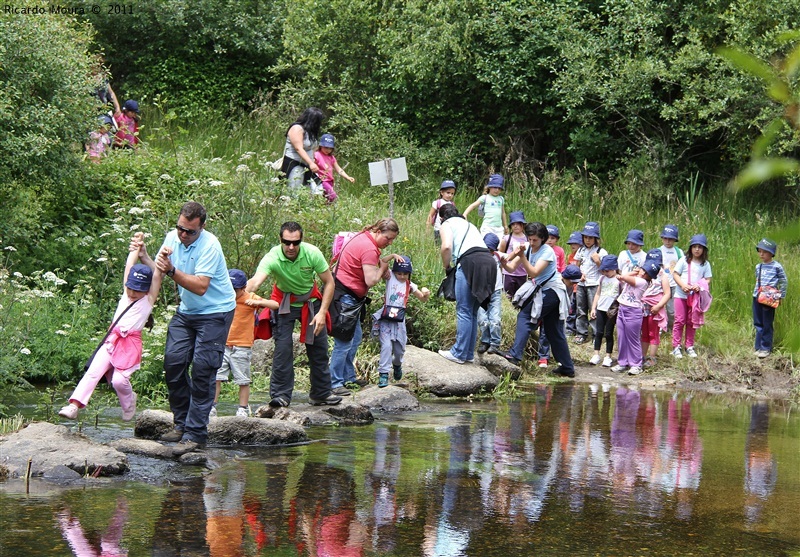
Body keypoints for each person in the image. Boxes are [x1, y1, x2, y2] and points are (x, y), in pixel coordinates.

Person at [137, 201, 236, 452]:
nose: (183, 234)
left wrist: (171, 271)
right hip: (187, 312)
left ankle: (195, 434)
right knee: (173, 363)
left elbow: (201, 286)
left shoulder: (210, 246)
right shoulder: (172, 237)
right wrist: (145, 257)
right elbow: (160, 271)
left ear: (201, 227)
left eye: (189, 231)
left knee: (203, 369)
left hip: (216, 312)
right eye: (180, 228)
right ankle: (181, 424)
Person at [58, 232, 162, 421]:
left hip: (130, 343)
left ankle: (129, 400)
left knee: (119, 381)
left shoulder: (148, 300)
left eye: (136, 290)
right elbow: (129, 266)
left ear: (145, 290)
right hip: (112, 339)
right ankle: (74, 406)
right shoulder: (126, 293)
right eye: (129, 287)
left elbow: (157, 275)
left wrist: (150, 256)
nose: (131, 292)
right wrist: (137, 246)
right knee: (93, 373)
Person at [247, 221, 343, 407]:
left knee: (319, 348)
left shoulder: (312, 253)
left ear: (301, 240)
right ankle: (281, 395)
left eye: (296, 242)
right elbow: (255, 282)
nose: (291, 247)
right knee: (283, 349)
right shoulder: (273, 257)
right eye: (287, 242)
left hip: (311, 302)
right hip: (284, 304)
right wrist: (238, 297)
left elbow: (329, 283)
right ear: (280, 239)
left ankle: (321, 393)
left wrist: (322, 313)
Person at [329, 218, 400, 394]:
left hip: (348, 297)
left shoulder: (363, 238)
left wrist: (381, 267)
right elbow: (371, 279)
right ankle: (334, 383)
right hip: (346, 298)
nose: (389, 243)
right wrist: (383, 268)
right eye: (388, 238)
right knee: (344, 342)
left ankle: (348, 377)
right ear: (378, 232)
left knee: (355, 338)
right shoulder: (369, 248)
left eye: (392, 240)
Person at [499, 222, 575, 377]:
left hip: (553, 292)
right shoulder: (527, 247)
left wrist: (521, 256)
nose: (532, 243)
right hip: (545, 291)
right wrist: (503, 263)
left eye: (535, 240)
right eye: (530, 239)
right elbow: (511, 268)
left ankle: (515, 355)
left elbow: (533, 273)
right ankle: (567, 367)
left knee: (525, 317)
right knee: (554, 330)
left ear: (543, 239)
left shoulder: (547, 252)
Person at [210, 269, 278, 418]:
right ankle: (212, 406)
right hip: (222, 345)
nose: (231, 292)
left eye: (235, 289)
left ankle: (242, 408)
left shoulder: (250, 298)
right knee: (216, 377)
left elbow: (275, 305)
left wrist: (258, 302)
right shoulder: (222, 297)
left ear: (243, 288)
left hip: (241, 346)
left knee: (243, 380)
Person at [437, 204, 497, 364]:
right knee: (472, 311)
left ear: (441, 217)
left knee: (463, 309)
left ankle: (458, 353)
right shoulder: (469, 224)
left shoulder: (446, 224)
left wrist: (446, 266)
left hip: (471, 261)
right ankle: (468, 353)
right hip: (489, 263)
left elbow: (446, 246)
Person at [371, 256, 431, 387]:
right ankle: (384, 374)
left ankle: (397, 364)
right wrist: (392, 256)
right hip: (386, 318)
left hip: (399, 320)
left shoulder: (410, 285)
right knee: (386, 346)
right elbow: (381, 262)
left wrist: (426, 294)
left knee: (400, 349)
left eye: (405, 274)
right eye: (399, 273)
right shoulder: (389, 277)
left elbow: (422, 298)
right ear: (394, 272)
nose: (402, 276)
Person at [612, 261, 660, 375]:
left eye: (644, 271)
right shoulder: (639, 278)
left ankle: (636, 364)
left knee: (633, 339)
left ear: (647, 275)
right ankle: (622, 362)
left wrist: (634, 272)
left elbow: (623, 276)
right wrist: (635, 272)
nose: (641, 271)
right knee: (621, 337)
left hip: (633, 312)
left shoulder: (642, 282)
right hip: (622, 308)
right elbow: (623, 277)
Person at [671, 234, 712, 359]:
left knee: (691, 321)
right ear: (690, 248)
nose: (697, 249)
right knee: (679, 320)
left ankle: (689, 346)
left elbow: (708, 278)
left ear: (704, 250)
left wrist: (700, 286)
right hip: (681, 295)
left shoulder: (705, 264)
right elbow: (676, 274)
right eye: (695, 247)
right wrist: (683, 285)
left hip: (695, 298)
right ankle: (676, 346)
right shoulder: (684, 260)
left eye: (700, 247)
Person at [537, 224, 567, 367]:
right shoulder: (540, 250)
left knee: (555, 324)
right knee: (541, 322)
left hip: (556, 288)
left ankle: (554, 357)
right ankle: (542, 355)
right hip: (541, 287)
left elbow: (562, 268)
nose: (550, 240)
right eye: (548, 237)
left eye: (553, 238)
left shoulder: (559, 251)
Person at [752, 238, 787, 358]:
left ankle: (766, 348)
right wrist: (756, 294)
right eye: (760, 251)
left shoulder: (777, 266)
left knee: (767, 323)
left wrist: (781, 295)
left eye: (764, 252)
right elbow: (757, 280)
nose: (761, 254)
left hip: (769, 299)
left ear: (771, 253)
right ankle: (758, 346)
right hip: (757, 296)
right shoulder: (758, 267)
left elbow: (783, 281)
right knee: (758, 322)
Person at [574, 221, 607, 344]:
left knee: (594, 310)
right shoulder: (581, 250)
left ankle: (596, 334)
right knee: (580, 309)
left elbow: (606, 271)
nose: (588, 240)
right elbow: (576, 265)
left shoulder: (601, 251)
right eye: (585, 237)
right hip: (582, 284)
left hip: (594, 284)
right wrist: (579, 275)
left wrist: (598, 261)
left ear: (596, 238)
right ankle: (581, 332)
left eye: (591, 237)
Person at [281, 107, 325, 192]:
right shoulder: (296, 128)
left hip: (307, 166)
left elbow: (313, 148)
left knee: (317, 190)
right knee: (294, 190)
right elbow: (298, 148)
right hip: (294, 165)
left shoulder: (310, 132)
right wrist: (310, 163)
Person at [640, 249, 671, 367]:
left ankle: (652, 358)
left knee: (653, 333)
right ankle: (642, 356)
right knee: (644, 332)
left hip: (655, 307)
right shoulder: (643, 273)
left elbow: (667, 293)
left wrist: (659, 306)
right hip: (643, 307)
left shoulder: (663, 275)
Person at [589, 255, 621, 368]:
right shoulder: (602, 278)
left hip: (611, 311)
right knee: (598, 332)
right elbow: (598, 293)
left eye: (607, 270)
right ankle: (596, 354)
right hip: (601, 308)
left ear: (614, 268)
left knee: (608, 333)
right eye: (603, 270)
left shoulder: (619, 279)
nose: (605, 273)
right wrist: (593, 308)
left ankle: (608, 356)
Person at [476, 233, 504, 356]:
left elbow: (510, 258)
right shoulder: (477, 257)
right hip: (481, 292)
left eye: (491, 250)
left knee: (495, 319)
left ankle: (495, 343)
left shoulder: (498, 256)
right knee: (482, 319)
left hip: (496, 291)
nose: (489, 252)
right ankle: (485, 341)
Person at [462, 173, 507, 238]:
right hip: (487, 227)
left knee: (499, 245)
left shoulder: (501, 199)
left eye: (499, 188)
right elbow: (473, 205)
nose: (497, 190)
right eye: (495, 187)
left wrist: (505, 225)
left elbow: (503, 213)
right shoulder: (485, 197)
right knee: (487, 243)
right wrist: (465, 214)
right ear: (490, 187)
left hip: (499, 227)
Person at [314, 133, 354, 203]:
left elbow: (338, 169)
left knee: (326, 199)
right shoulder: (316, 154)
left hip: (330, 181)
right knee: (333, 196)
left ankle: (325, 210)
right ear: (321, 146)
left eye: (330, 148)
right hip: (322, 181)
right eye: (326, 147)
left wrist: (347, 177)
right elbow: (312, 165)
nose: (328, 150)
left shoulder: (331, 157)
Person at [658, 224, 683, 331]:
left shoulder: (678, 252)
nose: (668, 241)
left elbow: (683, 266)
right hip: (660, 284)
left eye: (671, 239)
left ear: (675, 240)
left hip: (674, 284)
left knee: (672, 310)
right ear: (662, 238)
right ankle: (659, 327)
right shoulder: (658, 251)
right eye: (665, 238)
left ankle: (670, 328)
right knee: (659, 307)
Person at [498, 211, 528, 298]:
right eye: (513, 224)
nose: (515, 226)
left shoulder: (527, 239)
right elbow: (501, 253)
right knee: (507, 296)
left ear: (523, 225)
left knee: (521, 296)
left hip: (522, 273)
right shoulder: (506, 239)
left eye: (518, 224)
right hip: (508, 273)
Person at [427, 180, 457, 244]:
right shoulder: (437, 203)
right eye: (448, 192)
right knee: (438, 244)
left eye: (452, 193)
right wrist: (428, 227)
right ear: (442, 192)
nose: (450, 195)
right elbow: (430, 215)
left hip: (448, 229)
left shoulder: (452, 204)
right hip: (438, 228)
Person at [565, 231, 583, 336]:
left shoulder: (582, 257)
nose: (572, 245)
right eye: (571, 243)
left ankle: (579, 329)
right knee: (571, 308)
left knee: (580, 309)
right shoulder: (570, 257)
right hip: (572, 287)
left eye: (575, 243)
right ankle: (570, 328)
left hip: (580, 286)